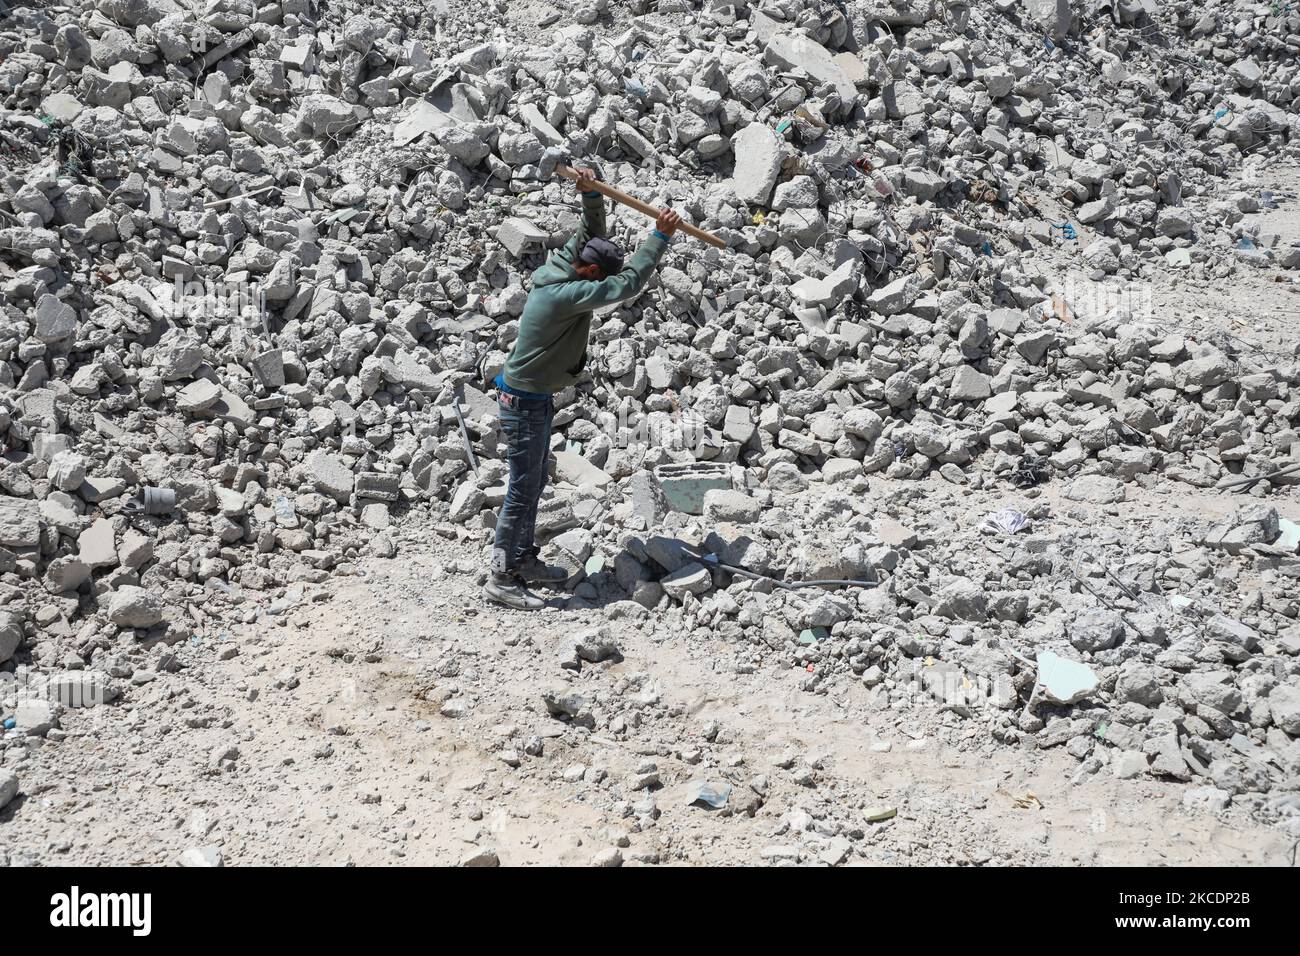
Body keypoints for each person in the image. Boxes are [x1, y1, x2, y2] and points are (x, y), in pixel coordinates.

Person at [484, 167, 682, 610]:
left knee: (533, 481)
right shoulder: (566, 293)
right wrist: (659, 237)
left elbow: (591, 232)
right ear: (590, 271)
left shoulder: (563, 264)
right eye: (597, 280)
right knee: (521, 486)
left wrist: (590, 195)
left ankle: (523, 559)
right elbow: (628, 282)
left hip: (529, 395)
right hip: (525, 400)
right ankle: (501, 576)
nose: (598, 288)